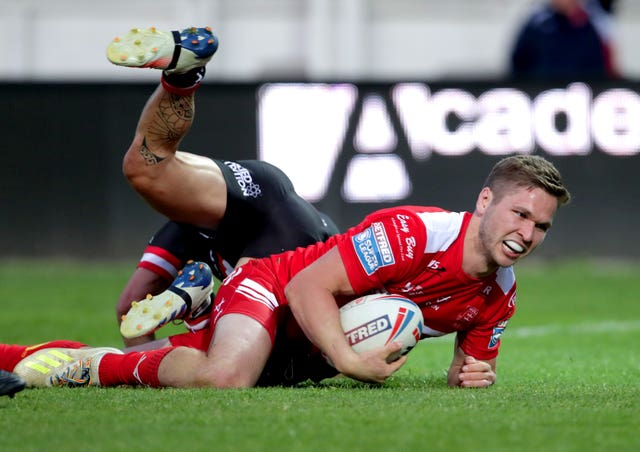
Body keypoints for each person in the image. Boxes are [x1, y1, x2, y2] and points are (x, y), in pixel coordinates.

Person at [1, 26, 571, 390]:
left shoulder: (498, 294)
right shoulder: (414, 232)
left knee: (144, 328)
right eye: (521, 215)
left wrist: (472, 376)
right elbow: (305, 286)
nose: (528, 232)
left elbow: (467, 370)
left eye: (541, 225)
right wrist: (351, 361)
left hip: (292, 311)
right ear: (485, 199)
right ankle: (189, 305)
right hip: (281, 267)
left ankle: (193, 302)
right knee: (195, 350)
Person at [107, 26, 339, 347]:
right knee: (143, 169)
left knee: (146, 170)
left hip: (278, 221)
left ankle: (200, 308)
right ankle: (182, 77)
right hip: (273, 214)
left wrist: (136, 367)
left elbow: (128, 312)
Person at [509, 0, 618, 80]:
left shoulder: (592, 26)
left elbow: (599, 70)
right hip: (539, 95)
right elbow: (518, 64)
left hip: (578, 96)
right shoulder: (536, 24)